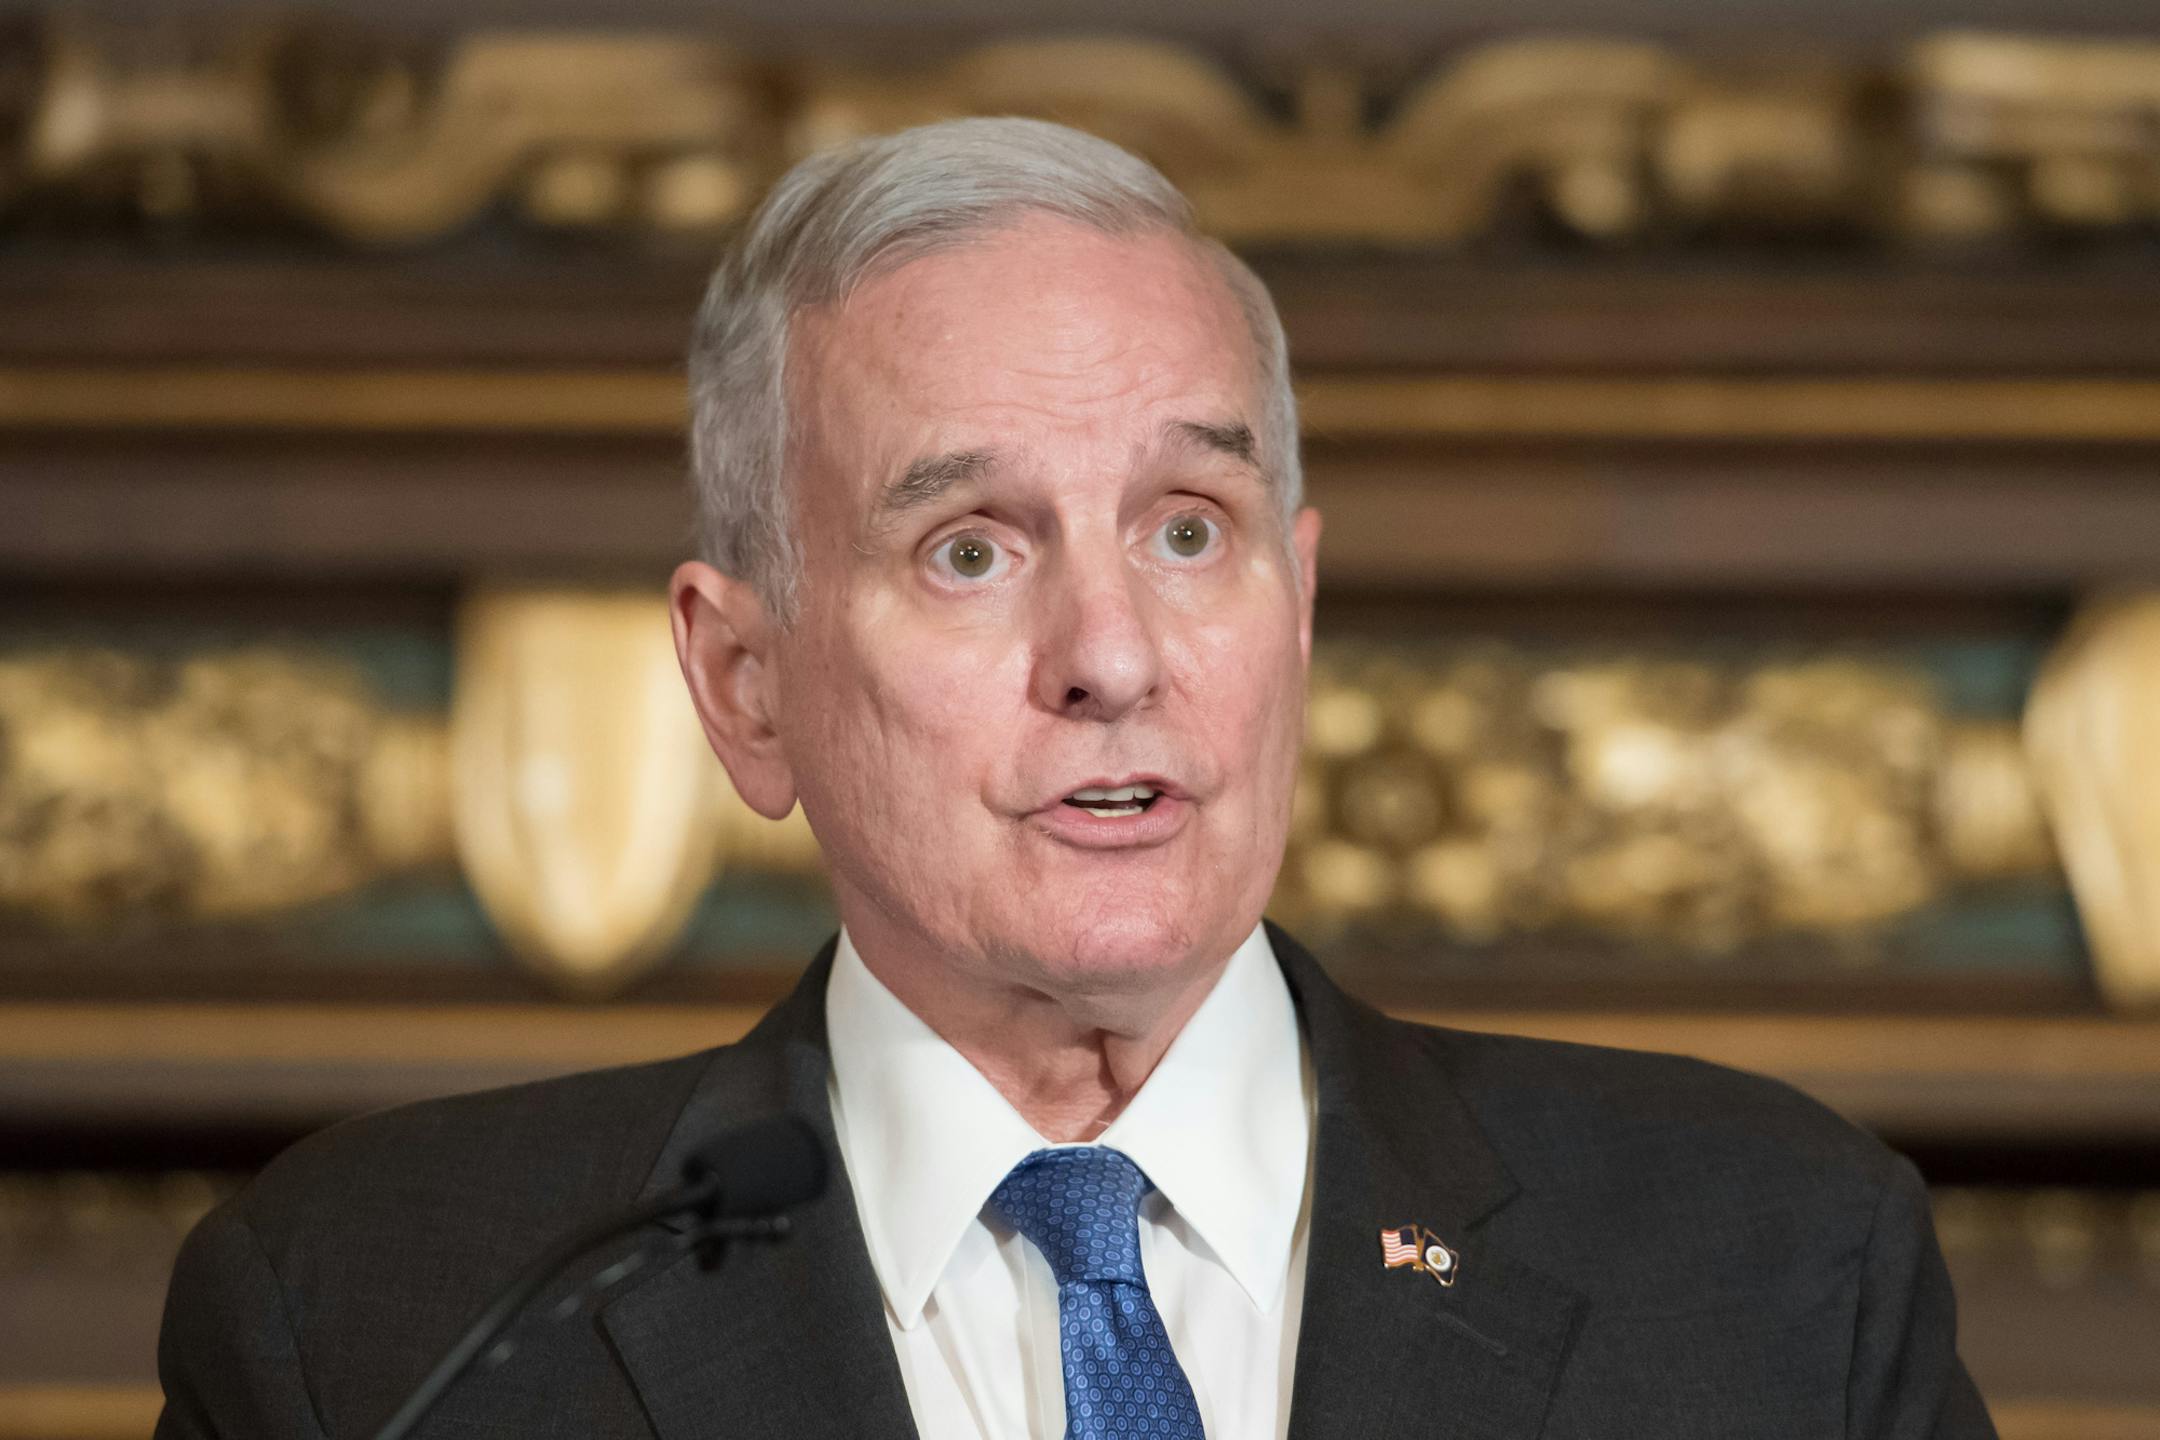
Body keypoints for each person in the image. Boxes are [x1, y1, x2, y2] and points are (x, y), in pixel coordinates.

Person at [153, 117, 1997, 1440]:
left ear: (1299, 606)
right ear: (745, 684)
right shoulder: (376, 1323)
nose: (1113, 654)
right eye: (971, 549)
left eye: (1191, 530)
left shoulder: (1773, 1266)